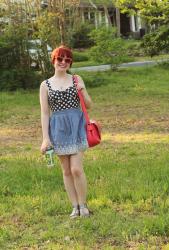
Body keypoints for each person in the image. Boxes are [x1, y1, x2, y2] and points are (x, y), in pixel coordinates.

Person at [39, 45, 92, 218]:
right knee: (66, 170)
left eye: (67, 60)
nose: (63, 62)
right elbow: (45, 113)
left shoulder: (76, 79)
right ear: (53, 60)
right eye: (60, 59)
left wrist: (82, 89)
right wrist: (46, 139)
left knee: (76, 169)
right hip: (58, 129)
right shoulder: (45, 85)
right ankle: (74, 206)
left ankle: (83, 205)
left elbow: (89, 105)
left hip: (76, 126)